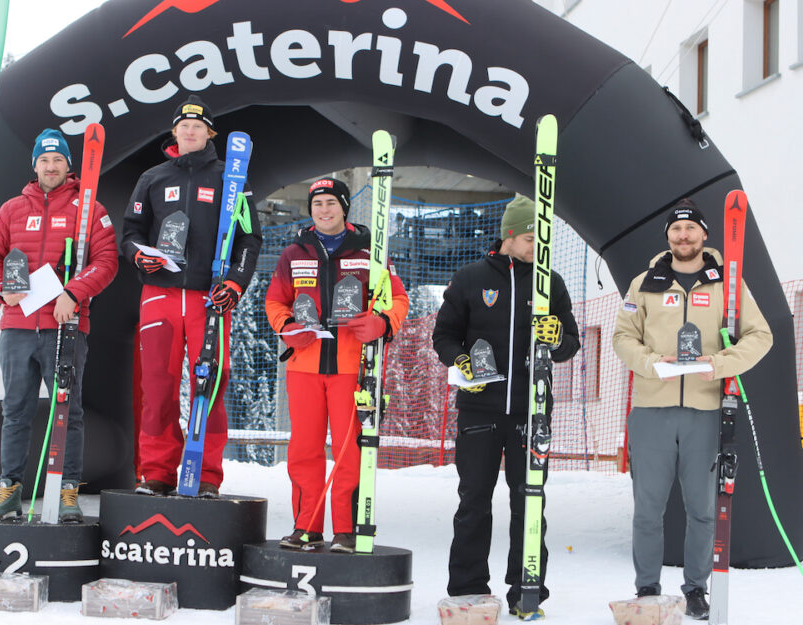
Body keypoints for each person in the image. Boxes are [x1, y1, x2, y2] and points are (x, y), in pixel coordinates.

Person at [612, 198, 771, 620]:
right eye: (676, 230)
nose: (683, 236)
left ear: (704, 234)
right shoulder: (643, 283)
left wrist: (720, 365)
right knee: (648, 509)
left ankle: (696, 589)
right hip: (651, 410)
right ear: (667, 235)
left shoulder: (728, 284)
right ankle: (647, 587)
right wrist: (650, 363)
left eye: (691, 229)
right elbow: (622, 337)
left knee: (702, 509)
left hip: (704, 411)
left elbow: (760, 335)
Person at [432, 194, 580, 619]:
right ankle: (467, 587)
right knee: (474, 498)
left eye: (541, 239)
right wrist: (459, 361)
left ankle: (526, 587)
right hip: (480, 408)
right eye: (530, 237)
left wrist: (556, 338)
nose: (537, 246)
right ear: (509, 235)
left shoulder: (550, 283)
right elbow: (444, 335)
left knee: (529, 499)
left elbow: (570, 342)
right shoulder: (471, 277)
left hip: (532, 412)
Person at [120, 95, 261, 497]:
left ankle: (206, 474)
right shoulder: (152, 178)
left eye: (198, 126)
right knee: (157, 387)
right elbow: (129, 233)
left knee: (210, 386)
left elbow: (250, 239)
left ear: (209, 133)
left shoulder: (231, 178)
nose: (190, 131)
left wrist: (235, 281)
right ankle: (158, 472)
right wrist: (138, 257)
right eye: (183, 126)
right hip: (159, 295)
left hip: (208, 298)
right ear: (174, 132)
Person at [0, 128, 119, 522]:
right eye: (45, 160)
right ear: (35, 164)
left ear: (69, 166)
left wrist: (73, 294)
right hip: (18, 326)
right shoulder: (11, 209)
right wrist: (0, 289)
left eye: (58, 160)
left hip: (66, 325)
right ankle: (9, 490)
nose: (51, 167)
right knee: (15, 410)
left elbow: (106, 261)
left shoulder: (88, 208)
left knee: (67, 411)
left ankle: (67, 491)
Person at [265, 177, 409, 553]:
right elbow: (275, 302)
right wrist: (287, 328)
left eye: (331, 203)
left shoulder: (370, 252)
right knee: (303, 450)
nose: (324, 210)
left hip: (352, 367)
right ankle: (307, 527)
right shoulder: (294, 253)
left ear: (344, 207)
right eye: (317, 204)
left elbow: (398, 299)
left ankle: (346, 530)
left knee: (350, 451)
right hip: (305, 367)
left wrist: (382, 323)